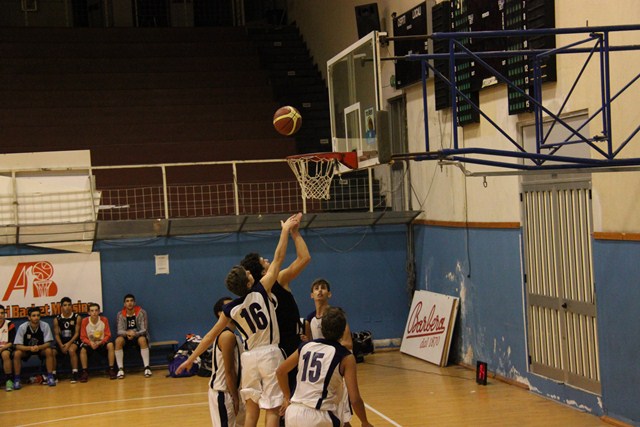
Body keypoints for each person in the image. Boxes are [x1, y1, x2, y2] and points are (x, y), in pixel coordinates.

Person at [176, 212, 301, 427]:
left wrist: (190, 359)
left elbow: (209, 336)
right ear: (249, 279)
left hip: (249, 358)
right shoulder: (262, 290)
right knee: (272, 409)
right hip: (269, 353)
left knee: (252, 410)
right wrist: (284, 231)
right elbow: (279, 257)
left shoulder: (230, 309)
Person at [240, 215, 311, 396]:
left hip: (290, 343)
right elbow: (299, 258)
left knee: (290, 396)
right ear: (262, 271)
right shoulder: (273, 281)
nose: (268, 261)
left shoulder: (264, 287)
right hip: (280, 349)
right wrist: (288, 232)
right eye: (264, 261)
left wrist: (295, 234)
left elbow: (304, 258)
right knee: (289, 397)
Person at [276, 307, 373, 427]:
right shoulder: (345, 356)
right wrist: (364, 421)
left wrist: (287, 397)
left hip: (293, 413)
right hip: (319, 416)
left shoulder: (306, 346)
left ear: (322, 328)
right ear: (343, 331)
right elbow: (354, 399)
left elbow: (280, 371)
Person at [304, 279, 354, 426]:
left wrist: (326, 346)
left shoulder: (336, 316)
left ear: (329, 294)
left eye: (323, 288)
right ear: (311, 295)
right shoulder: (309, 319)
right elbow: (309, 345)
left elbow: (348, 343)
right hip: (319, 374)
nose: (320, 290)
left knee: (343, 417)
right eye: (316, 288)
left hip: (336, 370)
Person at [209, 297, 245, 427]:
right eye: (229, 306)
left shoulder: (235, 335)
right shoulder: (227, 336)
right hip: (225, 393)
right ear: (220, 313)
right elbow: (228, 370)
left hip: (233, 390)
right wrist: (235, 398)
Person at [12, 306, 56, 389]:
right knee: (17, 353)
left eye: (38, 315)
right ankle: (17, 379)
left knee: (49, 351)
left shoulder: (45, 326)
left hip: (40, 349)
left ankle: (50, 377)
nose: (36, 317)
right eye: (34, 315)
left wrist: (38, 347)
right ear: (29, 317)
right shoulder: (23, 327)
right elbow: (17, 345)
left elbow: (48, 343)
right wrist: (29, 348)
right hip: (26, 349)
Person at [114, 293, 151, 379]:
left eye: (131, 301)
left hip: (138, 335)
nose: (129, 303)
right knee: (118, 341)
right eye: (127, 301)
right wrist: (127, 333)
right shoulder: (120, 314)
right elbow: (119, 331)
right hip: (126, 336)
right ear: (124, 304)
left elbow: (144, 329)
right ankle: (120, 369)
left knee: (142, 340)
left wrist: (135, 334)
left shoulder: (142, 312)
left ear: (134, 303)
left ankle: (147, 368)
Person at [79, 302, 117, 382]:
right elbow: (82, 337)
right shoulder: (85, 321)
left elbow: (108, 334)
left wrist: (101, 342)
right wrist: (90, 343)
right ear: (88, 312)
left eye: (96, 310)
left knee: (110, 345)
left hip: (101, 343)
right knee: (82, 350)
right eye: (92, 311)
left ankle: (111, 369)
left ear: (99, 311)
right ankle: (85, 372)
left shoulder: (104, 320)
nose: (94, 312)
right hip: (90, 343)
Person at [53, 297, 82, 383]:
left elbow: (77, 333)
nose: (67, 307)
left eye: (69, 305)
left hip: (73, 340)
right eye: (65, 305)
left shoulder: (77, 317)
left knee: (71, 350)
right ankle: (53, 374)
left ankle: (75, 373)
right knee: (52, 352)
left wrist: (68, 344)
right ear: (61, 307)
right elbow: (57, 334)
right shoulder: (57, 319)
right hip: (62, 341)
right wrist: (61, 345)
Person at [0, 304, 16, 391]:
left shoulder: (10, 324)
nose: (0, 315)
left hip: (6, 347)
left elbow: (12, 342)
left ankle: (9, 380)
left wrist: (2, 348)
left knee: (5, 354)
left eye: (2, 313)